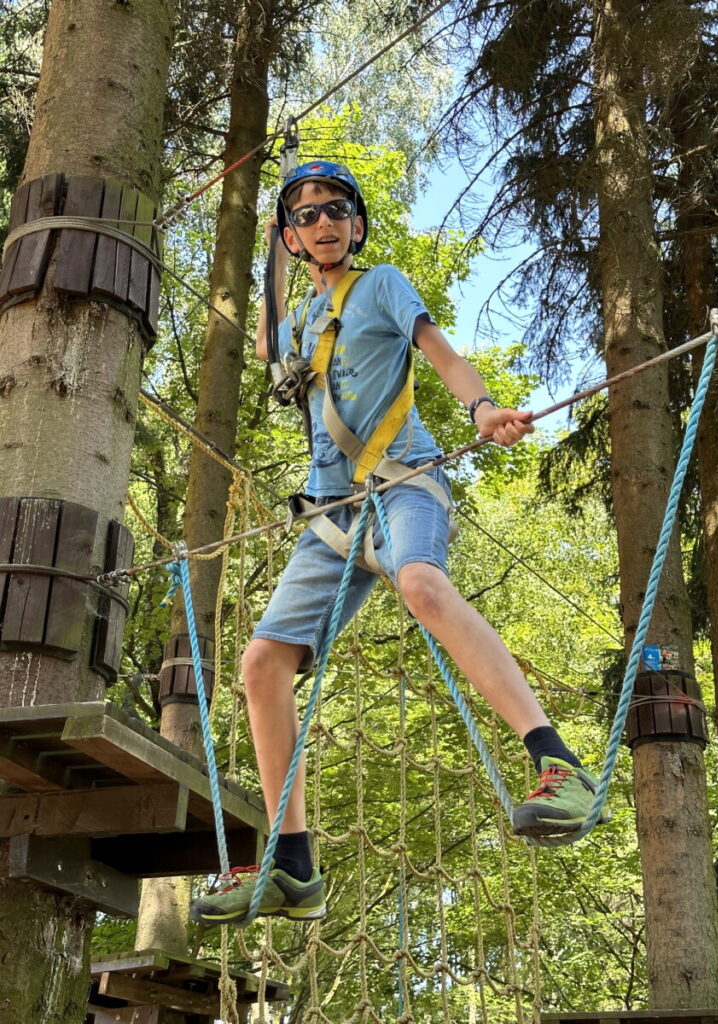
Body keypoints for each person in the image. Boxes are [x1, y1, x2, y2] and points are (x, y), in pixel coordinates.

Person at [190, 161, 609, 927]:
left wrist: (480, 406)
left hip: (403, 478)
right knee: (259, 664)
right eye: (307, 215)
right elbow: (263, 343)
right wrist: (271, 257)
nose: (322, 222)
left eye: (335, 210)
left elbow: (439, 351)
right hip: (332, 513)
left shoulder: (380, 284)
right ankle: (294, 865)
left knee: (420, 584)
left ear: (354, 223)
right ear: (292, 234)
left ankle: (560, 764)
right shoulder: (294, 326)